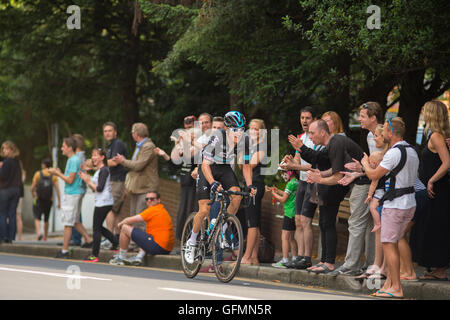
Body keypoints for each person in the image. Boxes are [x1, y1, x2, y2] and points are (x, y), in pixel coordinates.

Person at [183, 111, 257, 265]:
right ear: (227, 129)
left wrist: (249, 185)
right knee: (204, 210)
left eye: (242, 129)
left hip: (224, 168)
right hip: (208, 167)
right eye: (235, 130)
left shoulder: (245, 141)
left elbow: (247, 167)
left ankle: (222, 227)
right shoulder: (218, 137)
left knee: (237, 195)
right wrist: (213, 183)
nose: (239, 133)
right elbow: (204, 165)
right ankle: (191, 241)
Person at [362, 117, 419, 299]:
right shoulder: (412, 150)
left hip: (396, 204)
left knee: (388, 244)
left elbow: (374, 174)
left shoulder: (394, 153)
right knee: (393, 242)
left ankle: (396, 288)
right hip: (410, 202)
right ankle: (388, 284)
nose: (382, 133)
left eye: (385, 130)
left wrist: (364, 164)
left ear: (392, 133)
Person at [329, 102, 384, 277]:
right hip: (372, 180)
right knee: (370, 224)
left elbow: (378, 164)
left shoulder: (379, 135)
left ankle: (351, 264)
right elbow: (373, 164)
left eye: (362, 116)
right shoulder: (370, 135)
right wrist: (361, 168)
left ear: (373, 118)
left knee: (358, 223)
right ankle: (370, 264)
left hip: (372, 182)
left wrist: (362, 171)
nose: (359, 119)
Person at [411, 100, 450, 281]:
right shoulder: (432, 135)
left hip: (438, 190)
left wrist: (432, 180)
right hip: (432, 190)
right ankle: (435, 266)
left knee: (437, 227)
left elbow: (447, 163)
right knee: (431, 226)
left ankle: (440, 268)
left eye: (425, 111)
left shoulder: (436, 136)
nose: (423, 113)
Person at [280, 106, 317, 269]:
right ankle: (299, 256)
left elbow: (314, 163)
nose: (304, 121)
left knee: (306, 220)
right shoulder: (300, 137)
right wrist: (289, 162)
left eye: (307, 118)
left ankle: (307, 257)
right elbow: (297, 162)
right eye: (302, 118)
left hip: (312, 181)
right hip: (301, 182)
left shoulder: (315, 138)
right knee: (298, 220)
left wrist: (298, 166)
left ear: (314, 120)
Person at [49, 137, 93, 258]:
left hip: (72, 194)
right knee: (75, 221)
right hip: (74, 192)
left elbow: (70, 180)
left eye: (63, 146)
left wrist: (57, 173)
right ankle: (89, 240)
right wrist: (60, 173)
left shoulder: (74, 160)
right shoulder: (72, 159)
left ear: (69, 147)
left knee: (68, 223)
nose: (61, 148)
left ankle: (64, 250)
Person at [109, 191, 174, 265]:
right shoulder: (162, 210)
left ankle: (121, 257)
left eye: (152, 199)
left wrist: (120, 224)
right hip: (166, 249)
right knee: (145, 236)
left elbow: (129, 220)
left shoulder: (152, 210)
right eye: (147, 199)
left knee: (124, 227)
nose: (149, 201)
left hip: (157, 247)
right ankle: (139, 257)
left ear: (158, 200)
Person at [79, 149, 119, 262]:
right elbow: (95, 188)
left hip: (103, 203)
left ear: (102, 157)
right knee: (98, 227)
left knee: (96, 228)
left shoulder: (104, 170)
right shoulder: (101, 170)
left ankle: (94, 255)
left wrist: (88, 181)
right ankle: (116, 243)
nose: (93, 157)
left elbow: (99, 188)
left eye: (96, 155)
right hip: (103, 202)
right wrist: (86, 179)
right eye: (92, 155)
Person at [240, 118, 267, 266]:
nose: (253, 131)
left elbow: (249, 165)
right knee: (254, 222)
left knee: (251, 223)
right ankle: (254, 257)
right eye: (251, 128)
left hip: (255, 186)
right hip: (248, 185)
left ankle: (246, 257)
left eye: (256, 129)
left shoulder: (261, 147)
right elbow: (240, 166)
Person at [99, 122, 128, 249]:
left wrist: (97, 163)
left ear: (115, 132)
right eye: (105, 131)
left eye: (110, 130)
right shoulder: (110, 145)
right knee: (116, 212)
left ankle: (109, 239)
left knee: (109, 209)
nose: (107, 133)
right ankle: (115, 239)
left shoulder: (118, 144)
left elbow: (115, 162)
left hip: (118, 180)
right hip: (113, 180)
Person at [171, 127, 202, 241]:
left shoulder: (199, 148)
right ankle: (182, 240)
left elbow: (189, 156)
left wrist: (185, 143)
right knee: (182, 213)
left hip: (194, 186)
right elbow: (175, 161)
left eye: (193, 135)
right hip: (184, 185)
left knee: (191, 212)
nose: (190, 137)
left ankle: (192, 239)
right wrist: (178, 144)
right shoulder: (187, 147)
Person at [268, 170, 299, 268]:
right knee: (291, 238)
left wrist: (273, 194)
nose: (282, 175)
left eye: (283, 172)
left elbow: (283, 199)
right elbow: (287, 194)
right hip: (294, 213)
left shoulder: (290, 184)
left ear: (289, 172)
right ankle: (295, 258)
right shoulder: (296, 182)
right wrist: (277, 191)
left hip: (289, 213)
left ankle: (285, 260)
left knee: (285, 237)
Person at [30, 158, 61, 241]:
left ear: (44, 165)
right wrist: (59, 201)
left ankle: (39, 233)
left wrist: (34, 195)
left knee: (37, 217)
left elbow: (32, 187)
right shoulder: (53, 175)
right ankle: (45, 236)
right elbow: (57, 190)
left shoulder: (38, 174)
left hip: (38, 199)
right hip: (49, 200)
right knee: (46, 218)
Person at [0, 141, 23, 243]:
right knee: (12, 213)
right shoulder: (17, 162)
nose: (4, 150)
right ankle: (11, 237)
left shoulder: (7, 162)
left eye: (6, 148)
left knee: (3, 213)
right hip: (16, 190)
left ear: (11, 150)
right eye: (3, 148)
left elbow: (3, 176)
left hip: (5, 189)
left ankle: (3, 236)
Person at [70, 134, 87, 246]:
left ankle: (77, 238)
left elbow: (82, 173)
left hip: (77, 189)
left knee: (75, 214)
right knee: (76, 213)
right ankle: (76, 237)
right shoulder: (81, 156)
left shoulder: (78, 157)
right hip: (79, 188)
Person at [364, 151, 385, 233]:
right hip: (385, 191)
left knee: (372, 207)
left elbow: (373, 185)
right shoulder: (385, 169)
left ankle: (378, 223)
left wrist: (369, 195)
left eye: (369, 163)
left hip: (380, 192)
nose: (369, 165)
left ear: (374, 163)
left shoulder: (377, 173)